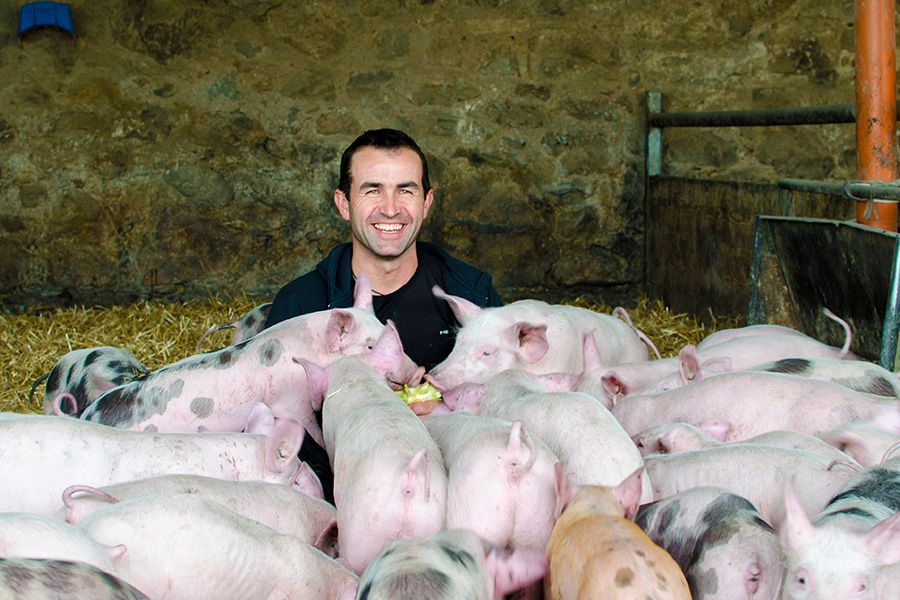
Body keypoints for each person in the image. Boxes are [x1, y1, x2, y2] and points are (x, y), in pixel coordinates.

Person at [263, 128, 502, 502]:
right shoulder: (301, 307)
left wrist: (447, 411)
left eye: (405, 190)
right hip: (346, 500)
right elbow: (278, 438)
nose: (390, 208)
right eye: (372, 190)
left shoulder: (472, 294)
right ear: (343, 203)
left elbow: (512, 399)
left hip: (462, 492)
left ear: (426, 202)